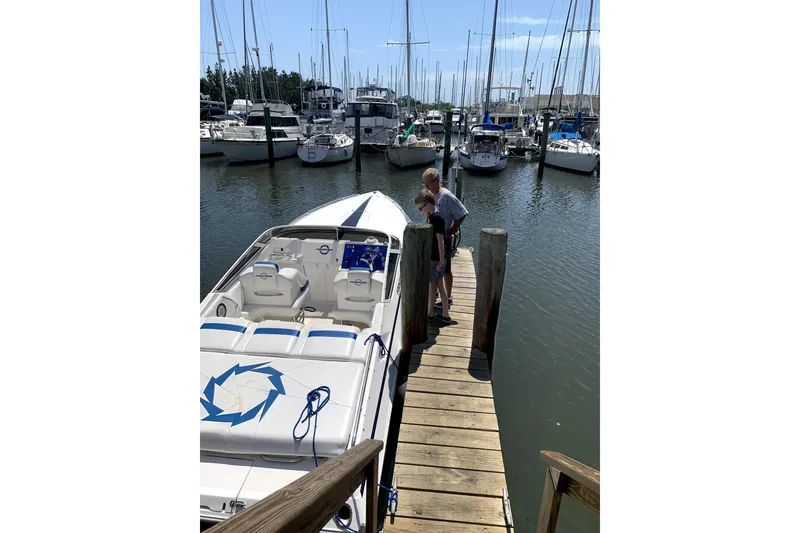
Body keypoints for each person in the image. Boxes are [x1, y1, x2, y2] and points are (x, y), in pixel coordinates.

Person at [422, 168, 468, 310]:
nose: (426, 186)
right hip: (432, 238)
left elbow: (462, 213)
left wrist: (454, 228)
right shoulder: (429, 196)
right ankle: (435, 292)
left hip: (444, 238)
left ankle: (448, 297)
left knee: (446, 269)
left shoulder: (447, 196)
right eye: (424, 183)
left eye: (428, 183)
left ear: (437, 181)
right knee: (433, 267)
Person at [414, 189, 452, 325]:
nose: (420, 211)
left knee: (433, 286)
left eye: (421, 208)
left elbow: (440, 241)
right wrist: (426, 216)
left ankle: (429, 313)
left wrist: (441, 261)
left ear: (429, 204)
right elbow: (426, 227)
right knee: (440, 284)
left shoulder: (436, 219)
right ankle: (445, 314)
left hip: (436, 259)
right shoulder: (433, 217)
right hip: (439, 258)